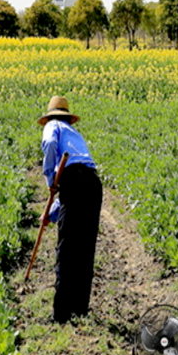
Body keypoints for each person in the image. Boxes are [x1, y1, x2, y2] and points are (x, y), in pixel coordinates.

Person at [38, 95, 103, 324]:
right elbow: (73, 183)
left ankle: (62, 315)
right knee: (85, 247)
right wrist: (51, 214)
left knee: (67, 248)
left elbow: (50, 146)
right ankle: (80, 310)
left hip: (74, 182)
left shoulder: (52, 127)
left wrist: (50, 179)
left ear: (49, 117)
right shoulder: (74, 135)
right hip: (93, 184)